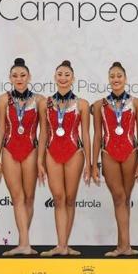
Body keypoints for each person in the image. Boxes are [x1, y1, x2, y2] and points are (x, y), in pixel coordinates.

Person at [91, 61, 138, 256]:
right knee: (119, 198)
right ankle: (123, 246)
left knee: (125, 198)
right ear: (108, 79)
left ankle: (124, 246)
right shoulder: (99, 105)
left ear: (125, 79)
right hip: (109, 155)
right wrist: (93, 164)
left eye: (119, 76)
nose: (116, 79)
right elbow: (97, 136)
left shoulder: (137, 103)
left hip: (130, 153)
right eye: (112, 76)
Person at [0, 57, 44, 256]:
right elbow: (0, 129)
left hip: (31, 149)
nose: (19, 78)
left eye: (22, 75)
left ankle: (24, 242)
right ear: (10, 78)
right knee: (17, 198)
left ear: (29, 76)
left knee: (29, 197)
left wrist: (40, 159)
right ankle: (24, 243)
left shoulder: (40, 100)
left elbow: (44, 132)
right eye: (15, 76)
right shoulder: (4, 99)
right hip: (9, 149)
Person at [41, 60, 92, 256]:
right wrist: (39, 161)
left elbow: (86, 134)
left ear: (73, 79)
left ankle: (65, 245)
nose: (63, 78)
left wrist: (89, 162)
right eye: (60, 74)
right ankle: (60, 245)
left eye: (67, 75)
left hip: (75, 153)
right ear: (55, 78)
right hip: (52, 153)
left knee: (70, 199)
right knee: (59, 198)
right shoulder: (46, 103)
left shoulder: (82, 104)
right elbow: (43, 134)